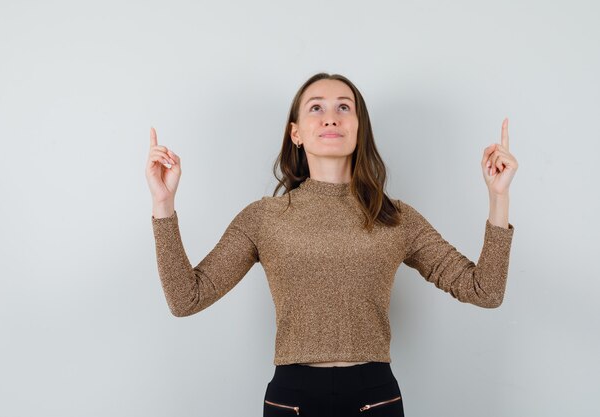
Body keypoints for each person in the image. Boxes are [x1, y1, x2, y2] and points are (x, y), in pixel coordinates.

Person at [145, 72, 518, 416]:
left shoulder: (395, 217)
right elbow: (185, 299)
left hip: (375, 396)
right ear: (296, 133)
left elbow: (485, 291)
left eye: (344, 107)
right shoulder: (263, 218)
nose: (331, 117)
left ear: (359, 128)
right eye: (316, 108)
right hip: (292, 397)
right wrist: (163, 205)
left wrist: (498, 197)